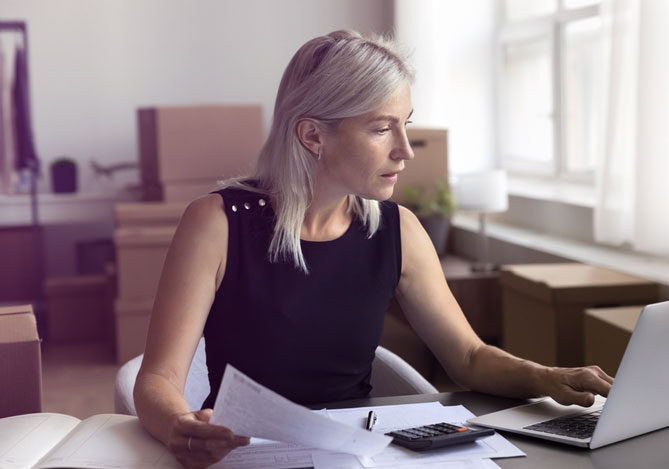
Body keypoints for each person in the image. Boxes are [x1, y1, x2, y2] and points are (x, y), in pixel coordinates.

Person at [134, 30, 613, 468]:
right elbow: (157, 380)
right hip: (250, 455)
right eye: (382, 128)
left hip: (358, 457)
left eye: (405, 124)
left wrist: (546, 377)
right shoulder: (216, 224)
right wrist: (182, 426)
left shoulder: (397, 229)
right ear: (313, 135)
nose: (405, 150)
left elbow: (467, 357)